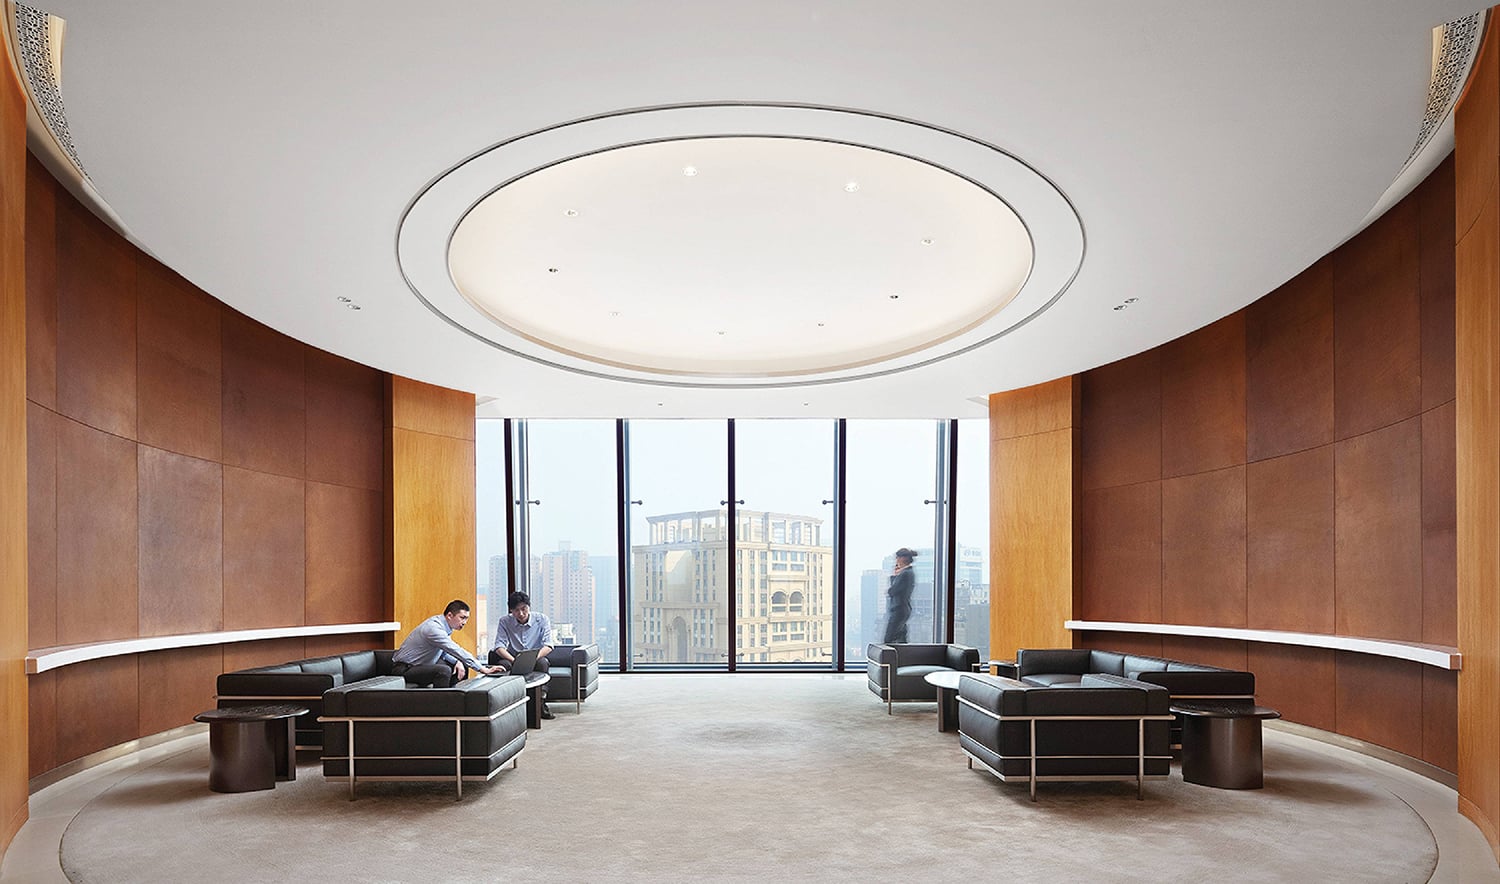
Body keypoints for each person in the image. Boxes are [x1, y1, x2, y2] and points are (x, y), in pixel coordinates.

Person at [391, 599, 499, 687]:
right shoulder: (433, 628)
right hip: (404, 669)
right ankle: (442, 704)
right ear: (450, 615)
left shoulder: (444, 626)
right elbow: (454, 649)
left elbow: (443, 652)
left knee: (462, 665)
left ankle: (456, 699)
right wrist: (482, 669)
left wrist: (457, 661)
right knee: (443, 671)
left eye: (466, 619)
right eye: (462, 618)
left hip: (420, 666)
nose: (464, 622)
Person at [490, 590, 556, 718]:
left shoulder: (542, 619)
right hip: (512, 657)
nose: (520, 613)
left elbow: (548, 645)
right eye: (516, 610)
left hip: (535, 656)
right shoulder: (505, 621)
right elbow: (499, 647)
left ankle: (541, 703)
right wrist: (515, 661)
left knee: (543, 663)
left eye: (524, 609)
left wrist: (530, 659)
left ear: (529, 607)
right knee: (503, 665)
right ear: (511, 611)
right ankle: (507, 705)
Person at [882, 547, 917, 644]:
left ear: (903, 558)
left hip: (899, 609)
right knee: (901, 637)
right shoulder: (908, 573)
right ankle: (905, 654)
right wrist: (896, 575)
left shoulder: (905, 573)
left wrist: (895, 576)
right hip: (902, 609)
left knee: (889, 639)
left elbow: (893, 591)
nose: (896, 560)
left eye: (897, 557)